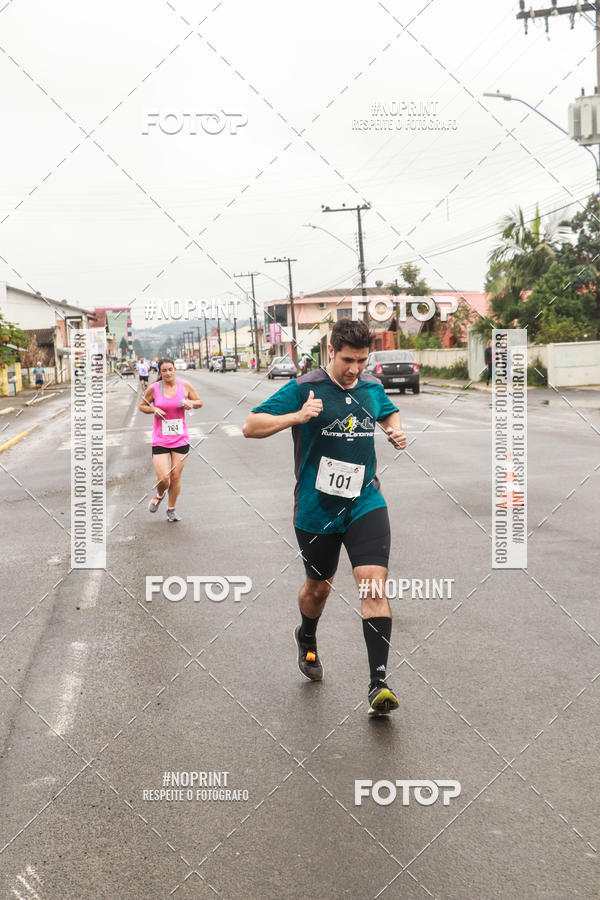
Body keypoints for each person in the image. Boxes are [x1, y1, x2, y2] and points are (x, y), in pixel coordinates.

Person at [243, 319, 407, 716]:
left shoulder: (370, 387)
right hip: (317, 509)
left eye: (362, 361)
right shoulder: (305, 388)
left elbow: (388, 412)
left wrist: (395, 431)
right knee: (318, 588)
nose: (354, 369)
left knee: (372, 585)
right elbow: (251, 425)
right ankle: (307, 635)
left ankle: (378, 683)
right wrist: (296, 417)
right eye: (348, 360)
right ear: (331, 352)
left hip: (365, 500)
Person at [139, 358, 203, 522]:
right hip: (160, 439)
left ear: (175, 370)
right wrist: (153, 409)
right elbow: (142, 406)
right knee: (163, 478)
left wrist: (191, 403)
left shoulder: (185, 386)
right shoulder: (154, 388)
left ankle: (171, 509)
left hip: (181, 439)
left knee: (175, 476)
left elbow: (199, 402)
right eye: (164, 370)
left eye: (170, 369)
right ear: (159, 372)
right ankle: (160, 495)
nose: (168, 373)